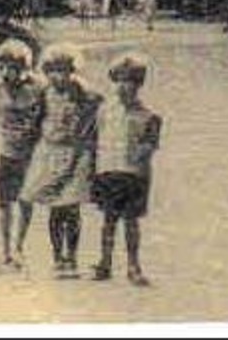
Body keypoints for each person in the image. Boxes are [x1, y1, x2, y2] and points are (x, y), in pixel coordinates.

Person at [23, 42, 100, 279]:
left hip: (76, 154)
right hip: (50, 153)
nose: (59, 76)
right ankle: (57, 256)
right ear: (46, 72)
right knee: (55, 209)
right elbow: (35, 123)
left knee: (72, 208)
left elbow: (95, 119)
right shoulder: (44, 94)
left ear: (73, 70)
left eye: (64, 70)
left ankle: (72, 256)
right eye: (53, 71)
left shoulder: (84, 94)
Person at [91, 51, 162, 287]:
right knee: (108, 220)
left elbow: (150, 145)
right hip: (109, 171)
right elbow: (95, 139)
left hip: (133, 175)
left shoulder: (148, 116)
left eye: (130, 81)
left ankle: (133, 265)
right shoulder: (104, 111)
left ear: (138, 85)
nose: (124, 86)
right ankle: (105, 261)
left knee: (131, 222)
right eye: (120, 80)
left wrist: (141, 154)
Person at [0, 38, 46, 272]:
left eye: (14, 68)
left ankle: (19, 248)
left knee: (25, 201)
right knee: (4, 204)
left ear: (26, 68)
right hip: (7, 154)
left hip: (31, 154)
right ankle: (6, 251)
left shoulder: (39, 86)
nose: (7, 73)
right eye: (2, 67)